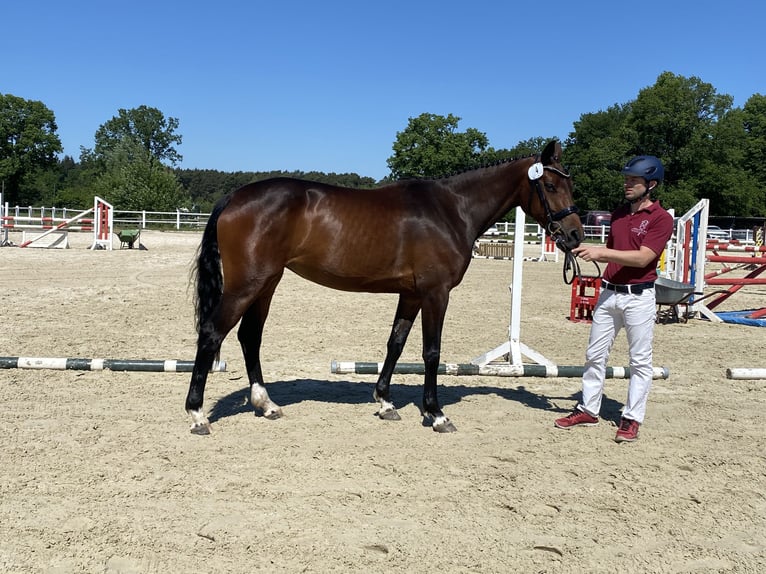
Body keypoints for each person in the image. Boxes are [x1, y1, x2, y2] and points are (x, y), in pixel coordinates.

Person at [554, 155, 674, 443]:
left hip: (639, 296)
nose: (627, 184)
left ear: (651, 185)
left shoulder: (661, 219)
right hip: (610, 292)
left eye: (634, 181)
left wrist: (601, 254)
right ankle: (588, 409)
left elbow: (644, 257)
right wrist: (582, 249)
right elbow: (615, 251)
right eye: (627, 179)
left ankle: (631, 418)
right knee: (594, 355)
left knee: (640, 361)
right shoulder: (619, 214)